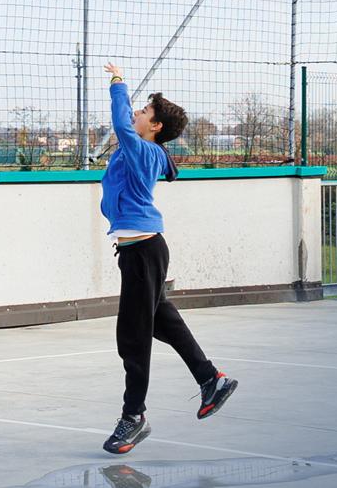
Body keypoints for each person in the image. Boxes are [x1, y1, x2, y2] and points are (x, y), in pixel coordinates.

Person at [100, 62, 238, 455]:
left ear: (155, 126)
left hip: (143, 252)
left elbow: (121, 125)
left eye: (143, 112)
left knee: (133, 336)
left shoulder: (142, 149)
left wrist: (117, 84)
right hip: (139, 252)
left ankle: (134, 416)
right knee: (163, 322)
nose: (136, 114)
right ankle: (211, 379)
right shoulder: (148, 151)